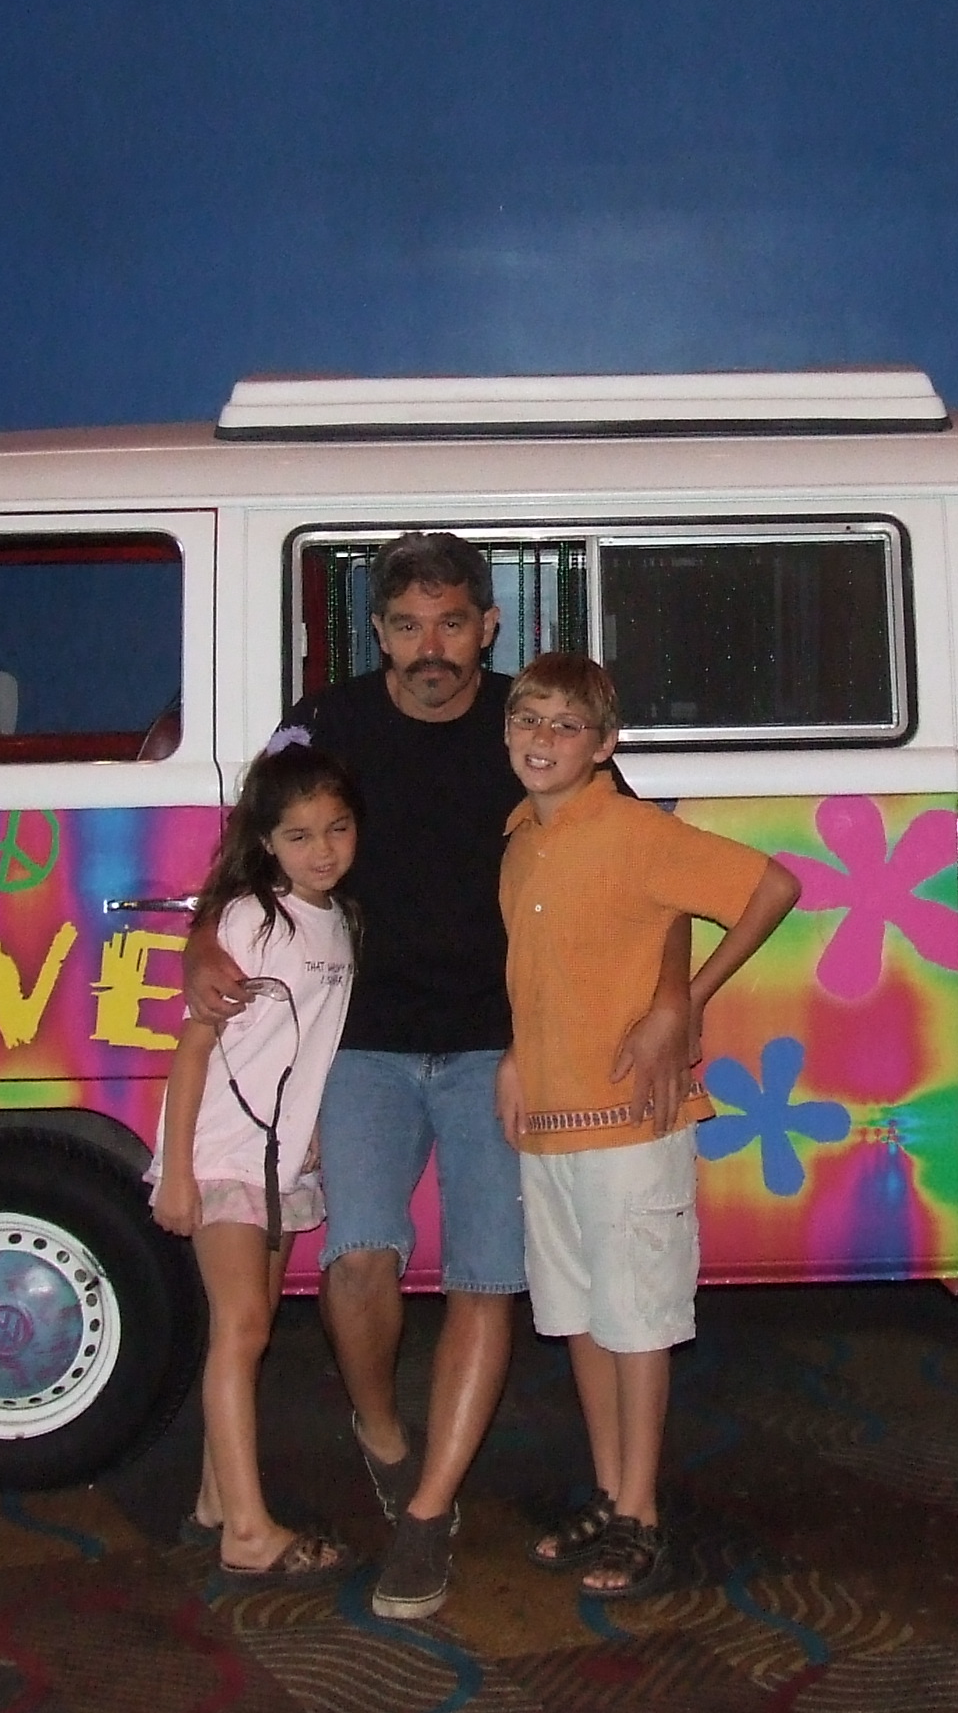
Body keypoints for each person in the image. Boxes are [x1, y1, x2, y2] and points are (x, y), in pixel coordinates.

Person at [185, 532, 694, 1620]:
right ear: (379, 632)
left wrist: (671, 1003)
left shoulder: (532, 727)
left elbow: (656, 863)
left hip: (496, 1057)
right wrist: (198, 944)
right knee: (358, 1264)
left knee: (485, 1281)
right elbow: (247, 840)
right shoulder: (325, 721)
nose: (432, 647)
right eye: (409, 626)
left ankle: (427, 1513)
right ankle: (381, 1430)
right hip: (362, 1048)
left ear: (488, 626)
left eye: (453, 623)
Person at [493, 652, 800, 1599]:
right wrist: (514, 1057)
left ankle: (642, 1510)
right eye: (528, 720)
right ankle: (608, 1489)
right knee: (579, 1316)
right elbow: (536, 973)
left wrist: (690, 1000)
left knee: (637, 1322)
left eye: (566, 726)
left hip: (630, 1122)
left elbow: (773, 888)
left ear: (604, 745)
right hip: (549, 1122)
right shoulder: (518, 840)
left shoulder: (633, 831)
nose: (544, 740)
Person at [149, 743, 361, 1583]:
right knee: (242, 1329)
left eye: (337, 829)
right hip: (223, 1154)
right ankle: (246, 1531)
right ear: (267, 842)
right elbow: (195, 1048)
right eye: (300, 835)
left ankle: (214, 1501)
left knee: (249, 1329)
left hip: (280, 1163)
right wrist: (176, 1171)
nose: (322, 850)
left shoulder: (337, 920)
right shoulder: (251, 919)